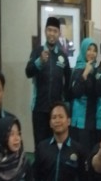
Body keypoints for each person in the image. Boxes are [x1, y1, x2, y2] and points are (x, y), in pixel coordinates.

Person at [33, 102, 86, 181]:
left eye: (61, 117)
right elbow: (35, 179)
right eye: (54, 117)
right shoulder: (42, 147)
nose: (57, 120)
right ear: (50, 123)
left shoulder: (78, 150)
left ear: (69, 121)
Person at [25, 16, 71, 145]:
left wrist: (65, 104)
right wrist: (39, 61)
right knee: (40, 144)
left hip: (56, 111)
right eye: (49, 30)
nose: (52, 34)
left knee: (55, 144)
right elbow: (28, 72)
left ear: (59, 33)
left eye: (55, 31)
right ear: (45, 31)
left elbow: (68, 81)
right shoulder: (37, 52)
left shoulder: (62, 56)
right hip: (39, 108)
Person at [70, 37, 100, 154]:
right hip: (77, 121)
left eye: (94, 50)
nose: (92, 53)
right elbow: (75, 92)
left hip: (90, 120)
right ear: (83, 50)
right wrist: (85, 74)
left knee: (88, 154)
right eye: (89, 49)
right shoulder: (78, 69)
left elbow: (95, 93)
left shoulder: (96, 70)